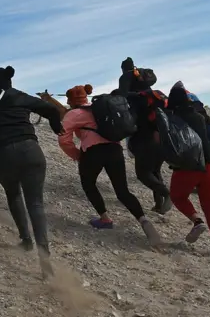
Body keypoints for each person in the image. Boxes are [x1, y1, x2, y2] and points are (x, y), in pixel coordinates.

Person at [0, 66, 63, 278]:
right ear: (9, 81)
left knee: (13, 194)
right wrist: (55, 125)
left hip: (3, 154)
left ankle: (26, 240)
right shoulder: (18, 95)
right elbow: (51, 109)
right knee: (36, 203)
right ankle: (45, 260)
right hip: (30, 151)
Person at [57, 85, 163, 246]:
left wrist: (77, 155)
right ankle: (143, 220)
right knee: (122, 191)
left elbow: (64, 139)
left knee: (89, 184)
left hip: (92, 152)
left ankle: (105, 219)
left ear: (71, 101)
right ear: (86, 98)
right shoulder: (102, 109)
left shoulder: (73, 114)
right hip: (115, 150)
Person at [166, 84, 210, 257]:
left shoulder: (170, 118)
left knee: (177, 197)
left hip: (188, 167)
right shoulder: (199, 117)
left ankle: (196, 220)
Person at [117, 57, 172, 214]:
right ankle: (159, 204)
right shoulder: (148, 94)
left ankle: (166, 194)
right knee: (154, 170)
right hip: (160, 134)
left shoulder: (127, 78)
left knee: (143, 173)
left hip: (143, 135)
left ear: (123, 69)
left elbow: (122, 95)